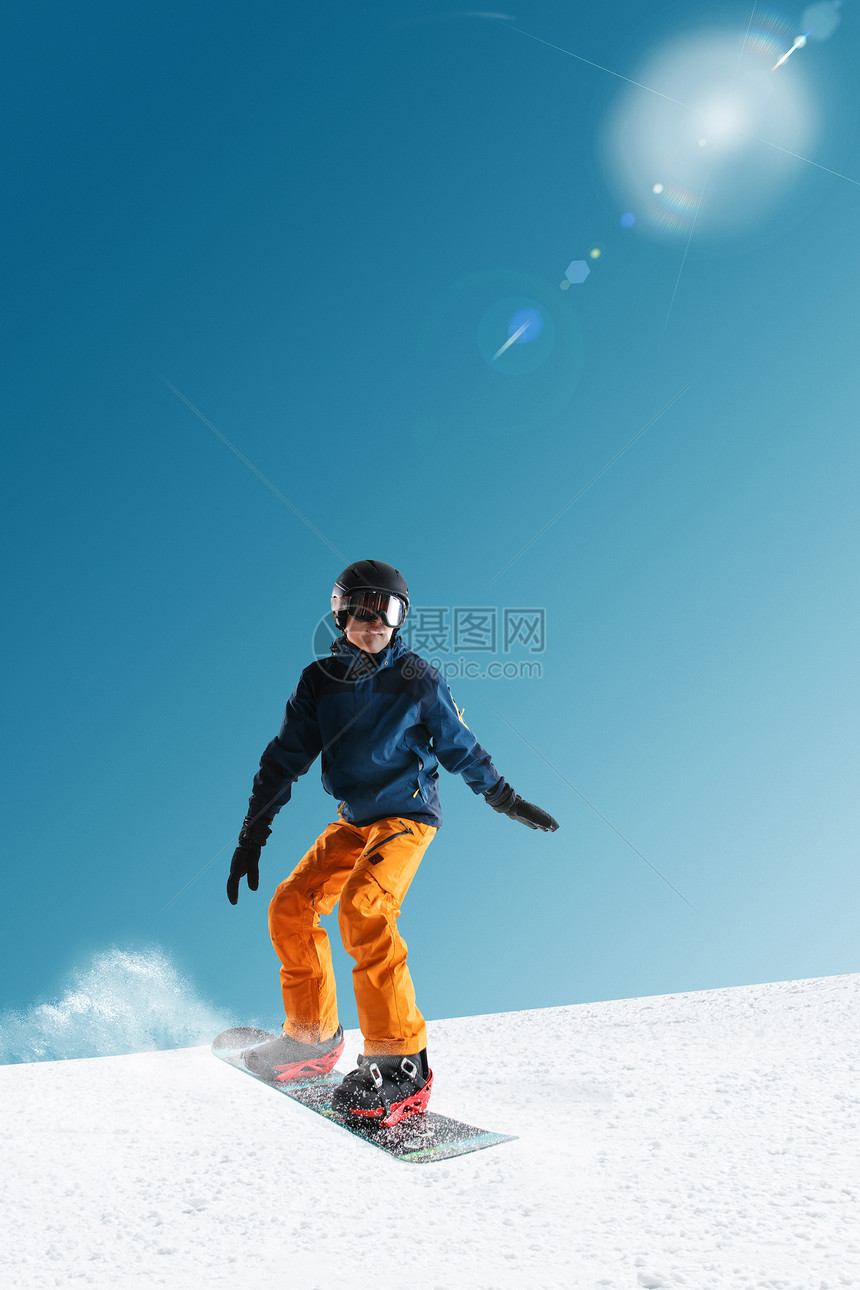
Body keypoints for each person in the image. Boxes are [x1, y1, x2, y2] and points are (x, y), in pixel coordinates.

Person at [227, 559, 558, 1128]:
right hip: (354, 819)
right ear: (341, 616)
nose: (373, 620)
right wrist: (254, 829)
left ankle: (401, 1062)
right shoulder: (319, 682)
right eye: (360, 608)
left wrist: (503, 798)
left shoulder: (418, 678)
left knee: (363, 908)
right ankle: (311, 1038)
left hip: (406, 817)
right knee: (289, 906)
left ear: (400, 618)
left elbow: (460, 747)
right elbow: (284, 757)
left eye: (388, 610)